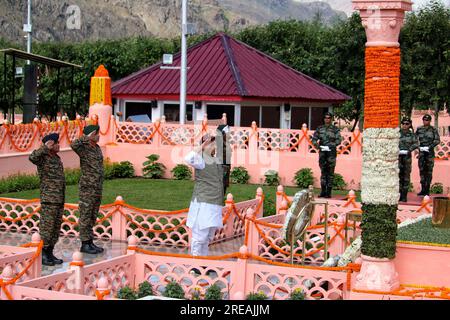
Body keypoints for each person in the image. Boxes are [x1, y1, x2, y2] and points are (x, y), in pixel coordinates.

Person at [184, 127, 229, 257]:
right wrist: (202, 146)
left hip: (214, 203)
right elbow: (188, 159)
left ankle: (203, 263)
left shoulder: (216, 160)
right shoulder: (201, 159)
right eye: (213, 143)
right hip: (203, 203)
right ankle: (195, 263)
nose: (215, 146)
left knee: (208, 237)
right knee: (200, 236)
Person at [29, 133, 65, 266]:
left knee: (55, 228)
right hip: (49, 198)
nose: (58, 145)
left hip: (59, 198)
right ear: (50, 144)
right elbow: (32, 157)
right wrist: (44, 148)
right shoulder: (42, 157)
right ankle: (43, 254)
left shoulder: (56, 157)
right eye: (56, 143)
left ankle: (50, 252)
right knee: (47, 228)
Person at [71, 125, 105, 254]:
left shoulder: (96, 148)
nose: (99, 136)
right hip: (87, 187)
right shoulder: (83, 148)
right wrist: (86, 137)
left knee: (92, 215)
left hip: (97, 186)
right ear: (92, 135)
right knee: (85, 214)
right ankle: (84, 244)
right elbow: (73, 144)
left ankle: (90, 241)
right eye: (97, 134)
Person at [311, 112, 342, 198]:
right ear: (324, 119)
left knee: (330, 173)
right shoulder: (319, 128)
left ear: (331, 119)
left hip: (331, 153)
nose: (327, 119)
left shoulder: (335, 129)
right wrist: (318, 146)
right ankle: (323, 191)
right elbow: (314, 139)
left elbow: (339, 140)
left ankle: (328, 192)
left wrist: (331, 145)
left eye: (329, 118)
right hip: (322, 153)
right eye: (325, 118)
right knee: (323, 172)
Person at [415, 114, 441, 196]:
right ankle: (423, 189)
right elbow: (414, 139)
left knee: (429, 171)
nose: (426, 121)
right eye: (425, 120)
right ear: (423, 120)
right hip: (422, 152)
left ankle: (427, 190)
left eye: (428, 120)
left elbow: (437, 140)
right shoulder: (419, 129)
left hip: (429, 152)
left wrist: (429, 147)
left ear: (430, 121)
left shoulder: (433, 129)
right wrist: (419, 147)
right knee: (422, 170)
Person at [398, 118, 418, 202]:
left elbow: (416, 144)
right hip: (398, 158)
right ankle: (398, 195)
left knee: (406, 177)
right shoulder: (397, 133)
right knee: (398, 176)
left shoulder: (412, 135)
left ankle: (404, 196)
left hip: (407, 158)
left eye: (407, 124)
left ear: (410, 124)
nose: (405, 125)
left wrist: (409, 150)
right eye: (403, 123)